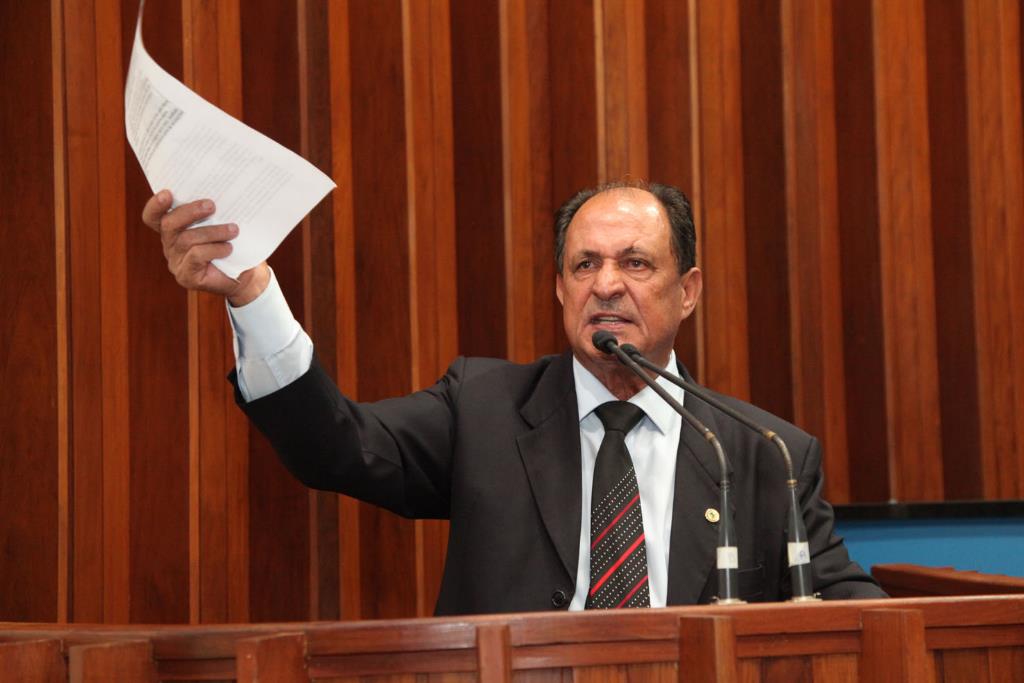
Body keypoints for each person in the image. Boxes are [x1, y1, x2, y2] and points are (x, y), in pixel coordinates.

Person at [143, 180, 886, 615]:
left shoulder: (761, 453)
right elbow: (338, 446)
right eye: (584, 265)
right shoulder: (483, 410)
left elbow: (855, 614)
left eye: (635, 263)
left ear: (687, 291)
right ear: (560, 289)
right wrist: (251, 294)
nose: (606, 285)